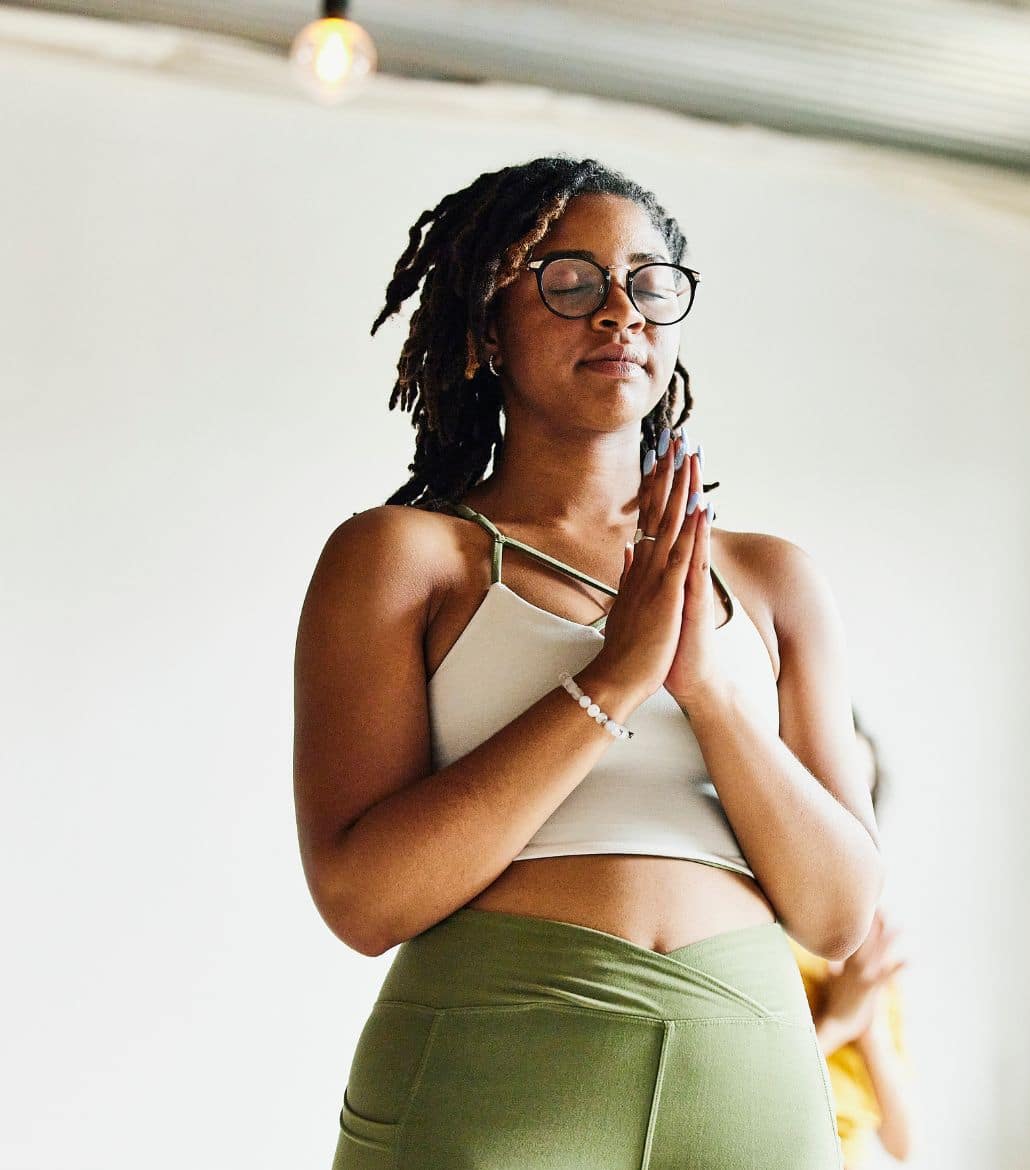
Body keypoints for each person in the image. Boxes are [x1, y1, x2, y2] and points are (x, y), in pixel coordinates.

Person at [292, 156, 884, 1169]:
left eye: (649, 283)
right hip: (497, 1060)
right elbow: (364, 900)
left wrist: (706, 690)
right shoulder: (404, 557)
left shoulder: (773, 580)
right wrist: (612, 680)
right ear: (486, 331)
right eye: (569, 282)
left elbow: (837, 918)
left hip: (748, 1067)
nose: (620, 313)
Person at [789, 709, 914, 1166]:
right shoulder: (760, 927)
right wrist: (839, 1021)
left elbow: (902, 1141)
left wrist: (867, 1019)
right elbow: (733, 1099)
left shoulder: (868, 953)